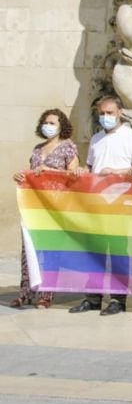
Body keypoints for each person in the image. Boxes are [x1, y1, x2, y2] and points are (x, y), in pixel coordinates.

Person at [69, 95, 132, 316]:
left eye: (110, 113)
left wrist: (116, 172)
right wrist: (82, 170)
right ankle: (92, 297)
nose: (105, 117)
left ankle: (117, 299)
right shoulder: (96, 139)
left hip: (120, 202)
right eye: (102, 114)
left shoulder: (131, 137)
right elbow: (91, 167)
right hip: (96, 203)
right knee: (94, 251)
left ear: (119, 113)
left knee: (119, 253)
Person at [11, 109, 80, 309]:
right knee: (28, 249)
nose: (48, 126)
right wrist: (22, 176)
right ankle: (25, 292)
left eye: (52, 123)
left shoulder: (68, 148)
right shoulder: (37, 149)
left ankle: (45, 294)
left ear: (61, 127)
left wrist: (50, 170)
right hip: (33, 205)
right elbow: (32, 174)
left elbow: (73, 175)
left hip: (54, 206)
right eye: (46, 122)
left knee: (49, 250)